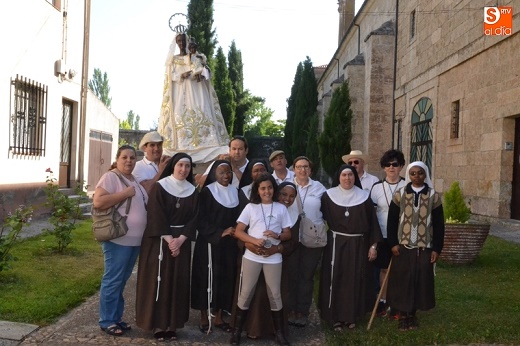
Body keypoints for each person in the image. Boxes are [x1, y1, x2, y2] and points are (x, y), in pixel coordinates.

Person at [135, 153, 199, 341]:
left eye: (187, 166)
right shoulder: (160, 187)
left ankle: (172, 325)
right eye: (180, 165)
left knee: (177, 282)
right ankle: (157, 324)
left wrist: (180, 240)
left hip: (181, 243)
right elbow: (155, 214)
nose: (183, 169)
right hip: (159, 242)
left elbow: (195, 217)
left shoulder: (193, 190)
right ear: (173, 166)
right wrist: (170, 239)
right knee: (159, 281)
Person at [93, 145, 148, 337]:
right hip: (118, 239)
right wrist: (124, 194)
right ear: (117, 159)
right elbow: (98, 202)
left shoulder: (133, 179)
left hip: (134, 241)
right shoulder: (111, 177)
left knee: (121, 281)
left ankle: (115, 318)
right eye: (124, 157)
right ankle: (107, 320)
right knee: (113, 279)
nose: (129, 161)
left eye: (132, 158)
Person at [319, 164, 382, 331]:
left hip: (358, 245)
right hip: (336, 244)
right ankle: (334, 317)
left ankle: (350, 316)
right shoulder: (328, 196)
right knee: (335, 279)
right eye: (344, 175)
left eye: (350, 175)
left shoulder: (364, 197)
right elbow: (320, 218)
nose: (347, 178)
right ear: (338, 177)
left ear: (355, 177)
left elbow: (372, 224)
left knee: (354, 279)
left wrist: (373, 245)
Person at [230, 174, 292, 345]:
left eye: (270, 188)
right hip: (252, 256)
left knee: (275, 294)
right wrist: (254, 241)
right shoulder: (251, 207)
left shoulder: (281, 208)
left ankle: (279, 333)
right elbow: (239, 231)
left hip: (273, 258)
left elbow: (288, 234)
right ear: (258, 190)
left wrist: (277, 234)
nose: (267, 191)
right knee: (246, 293)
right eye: (263, 188)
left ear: (274, 189)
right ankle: (236, 332)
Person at [386, 161, 445, 331]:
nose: (416, 176)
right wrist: (393, 243)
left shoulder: (433, 196)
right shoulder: (400, 194)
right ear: (408, 175)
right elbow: (392, 221)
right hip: (403, 246)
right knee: (403, 279)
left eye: (420, 173)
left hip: (424, 246)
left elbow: (439, 224)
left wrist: (436, 248)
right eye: (413, 173)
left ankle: (412, 314)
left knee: (420, 279)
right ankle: (402, 314)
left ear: (425, 174)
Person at [158, 32, 229, 163]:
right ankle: (182, 145)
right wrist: (181, 76)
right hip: (180, 93)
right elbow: (170, 77)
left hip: (197, 92)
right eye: (179, 41)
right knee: (180, 116)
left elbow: (207, 72)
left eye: (183, 41)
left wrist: (202, 74)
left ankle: (209, 143)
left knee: (203, 111)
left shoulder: (198, 57)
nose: (181, 44)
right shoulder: (173, 60)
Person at [191, 160, 240, 334]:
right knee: (205, 278)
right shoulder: (206, 192)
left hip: (229, 245)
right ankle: (204, 316)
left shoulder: (236, 192)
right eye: (221, 172)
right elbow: (200, 220)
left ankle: (218, 317)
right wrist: (219, 232)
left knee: (225, 278)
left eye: (228, 172)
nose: (226, 175)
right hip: (209, 243)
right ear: (214, 174)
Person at [285, 156, 327, 328]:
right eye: (299, 166)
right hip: (292, 237)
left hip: (312, 238)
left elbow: (328, 210)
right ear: (293, 169)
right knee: (291, 275)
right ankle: (289, 309)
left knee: (306, 276)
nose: (302, 170)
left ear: (311, 170)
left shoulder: (320, 188)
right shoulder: (287, 187)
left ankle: (302, 311)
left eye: (306, 167)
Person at [369, 149, 407, 318]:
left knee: (400, 271)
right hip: (383, 235)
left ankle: (398, 304)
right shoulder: (377, 188)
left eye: (395, 164)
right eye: (388, 165)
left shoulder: (407, 187)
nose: (391, 168)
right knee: (384, 270)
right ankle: (383, 301)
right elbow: (373, 215)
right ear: (384, 167)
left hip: (402, 236)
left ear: (401, 166)